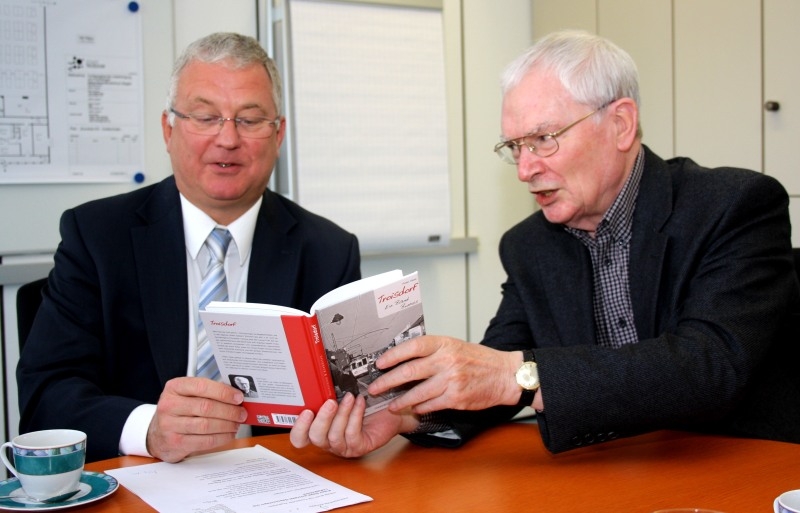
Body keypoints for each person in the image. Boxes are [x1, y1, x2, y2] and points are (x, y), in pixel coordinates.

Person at [289, 30, 800, 457]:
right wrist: (407, 417)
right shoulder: (529, 245)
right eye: (515, 147)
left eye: (543, 139)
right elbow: (495, 369)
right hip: (607, 471)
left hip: (740, 463)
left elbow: (710, 365)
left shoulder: (733, 205)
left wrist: (518, 375)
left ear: (620, 124)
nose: (525, 169)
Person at [17, 32, 361, 463]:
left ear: (278, 135)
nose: (228, 139)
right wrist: (149, 429)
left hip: (279, 477)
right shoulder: (97, 236)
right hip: (140, 480)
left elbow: (356, 397)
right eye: (205, 116)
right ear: (169, 129)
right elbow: (45, 395)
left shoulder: (329, 251)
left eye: (250, 119)